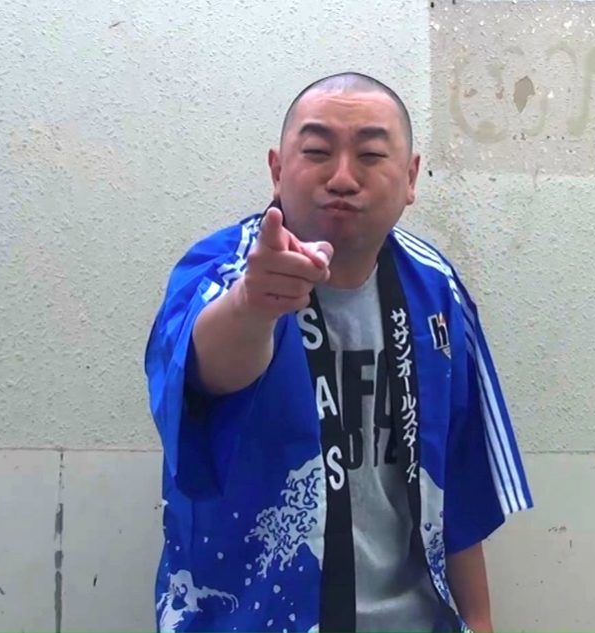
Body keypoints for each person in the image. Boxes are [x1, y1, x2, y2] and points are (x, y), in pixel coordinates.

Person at [144, 72, 532, 633]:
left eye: (370, 154)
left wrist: (479, 622)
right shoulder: (224, 270)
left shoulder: (437, 288)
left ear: (411, 177)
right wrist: (253, 305)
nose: (343, 177)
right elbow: (203, 373)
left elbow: (460, 485)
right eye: (317, 152)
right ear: (277, 170)